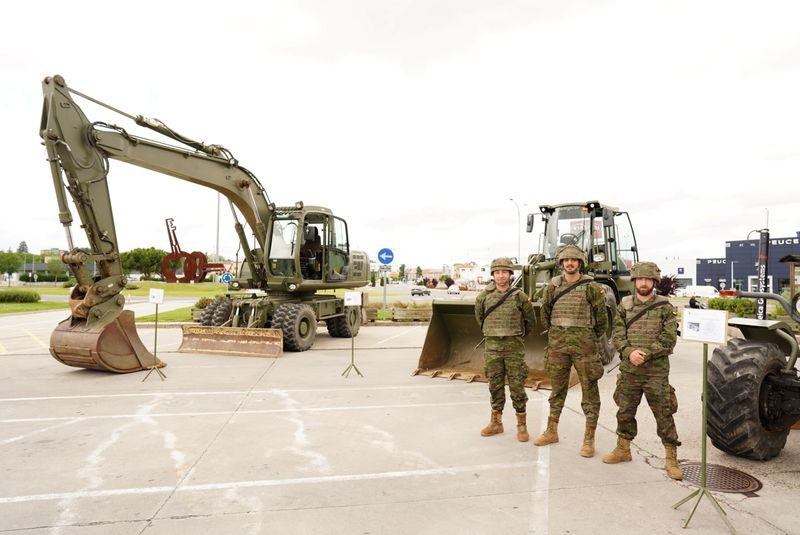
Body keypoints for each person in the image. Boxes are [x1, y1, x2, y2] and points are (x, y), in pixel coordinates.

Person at [602, 261, 683, 480]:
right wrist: (629, 352)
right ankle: (623, 449)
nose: (644, 283)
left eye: (648, 279)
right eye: (640, 279)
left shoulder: (664, 306)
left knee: (664, 414)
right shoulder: (625, 305)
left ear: (654, 282)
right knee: (625, 411)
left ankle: (671, 458)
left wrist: (646, 353)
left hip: (656, 372)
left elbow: (669, 339)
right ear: (634, 281)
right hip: (630, 371)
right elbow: (617, 334)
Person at [533, 244, 608, 458]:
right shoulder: (553, 286)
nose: (570, 263)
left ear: (580, 263)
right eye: (566, 260)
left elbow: (601, 320)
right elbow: (545, 314)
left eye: (574, 260)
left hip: (585, 348)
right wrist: (558, 333)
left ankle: (589, 439)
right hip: (558, 346)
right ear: (561, 263)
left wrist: (585, 337)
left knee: (589, 392)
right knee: (557, 390)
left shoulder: (591, 287)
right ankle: (551, 431)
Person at [474, 257, 535, 442]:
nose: (501, 276)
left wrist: (515, 336)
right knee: (495, 385)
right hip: (492, 348)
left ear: (510, 274)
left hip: (513, 348)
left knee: (517, 386)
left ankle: (522, 425)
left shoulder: (519, 296)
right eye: (497, 272)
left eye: (504, 272)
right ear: (493, 275)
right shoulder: (483, 297)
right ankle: (496, 423)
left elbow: (530, 321)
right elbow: (480, 319)